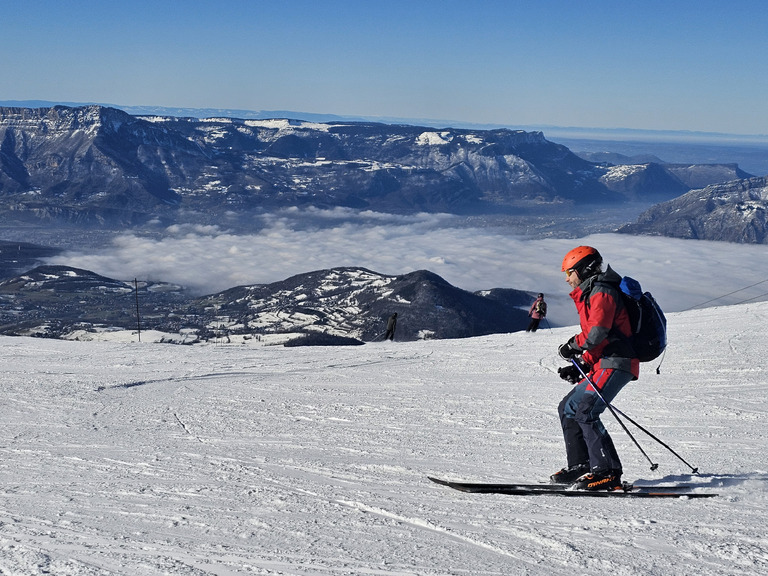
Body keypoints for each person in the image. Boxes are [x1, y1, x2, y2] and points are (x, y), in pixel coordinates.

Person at [551, 246, 639, 491]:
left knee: (586, 412)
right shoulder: (592, 292)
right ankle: (582, 466)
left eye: (569, 272)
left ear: (583, 269)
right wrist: (583, 364)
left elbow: (596, 333)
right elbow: (603, 336)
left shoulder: (602, 291)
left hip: (618, 362)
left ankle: (607, 472)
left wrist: (572, 346)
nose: (567, 278)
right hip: (604, 362)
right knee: (568, 408)